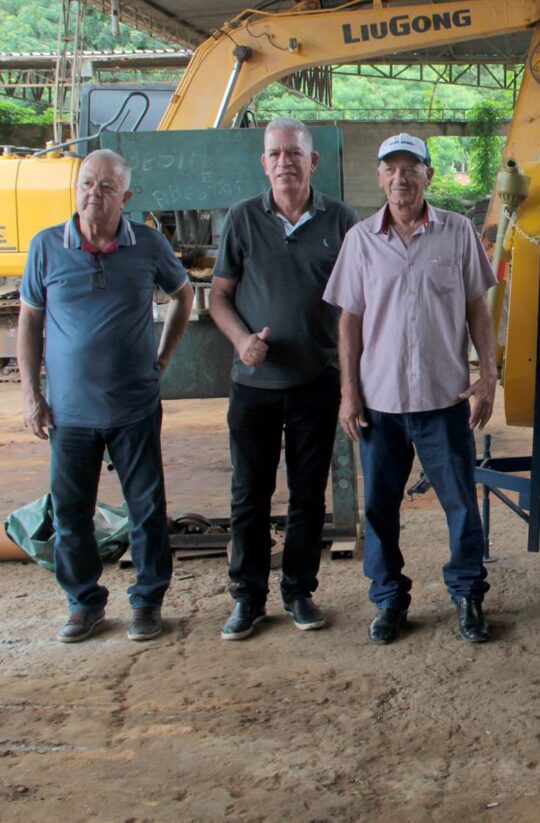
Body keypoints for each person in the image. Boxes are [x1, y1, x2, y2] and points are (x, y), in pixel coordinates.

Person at [323, 133, 497, 645]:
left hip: (446, 401)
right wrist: (348, 393)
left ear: (429, 175)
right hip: (381, 404)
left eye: (411, 167)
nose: (401, 177)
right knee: (379, 508)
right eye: (391, 168)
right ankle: (389, 600)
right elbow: (349, 322)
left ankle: (467, 594)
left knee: (461, 504)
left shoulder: (458, 232)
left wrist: (488, 376)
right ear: (380, 177)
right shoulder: (360, 241)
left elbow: (477, 312)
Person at [17, 149, 195, 643]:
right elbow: (30, 320)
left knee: (146, 509)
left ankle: (147, 602)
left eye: (107, 188)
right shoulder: (47, 247)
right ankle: (84, 603)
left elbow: (184, 295)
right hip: (69, 413)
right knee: (72, 513)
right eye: (87, 185)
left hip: (134, 407)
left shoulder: (149, 245)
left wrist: (162, 360)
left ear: (126, 197)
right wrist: (32, 395)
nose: (94, 194)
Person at [210, 117, 359, 641]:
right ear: (264, 162)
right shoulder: (243, 219)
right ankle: (247, 598)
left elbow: (353, 307)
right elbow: (219, 295)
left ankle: (298, 589)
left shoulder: (341, 221)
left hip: (315, 382)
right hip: (253, 386)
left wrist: (348, 380)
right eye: (274, 154)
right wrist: (241, 341)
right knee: (249, 493)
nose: (284, 163)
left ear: (312, 161)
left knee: (307, 494)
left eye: (294, 153)